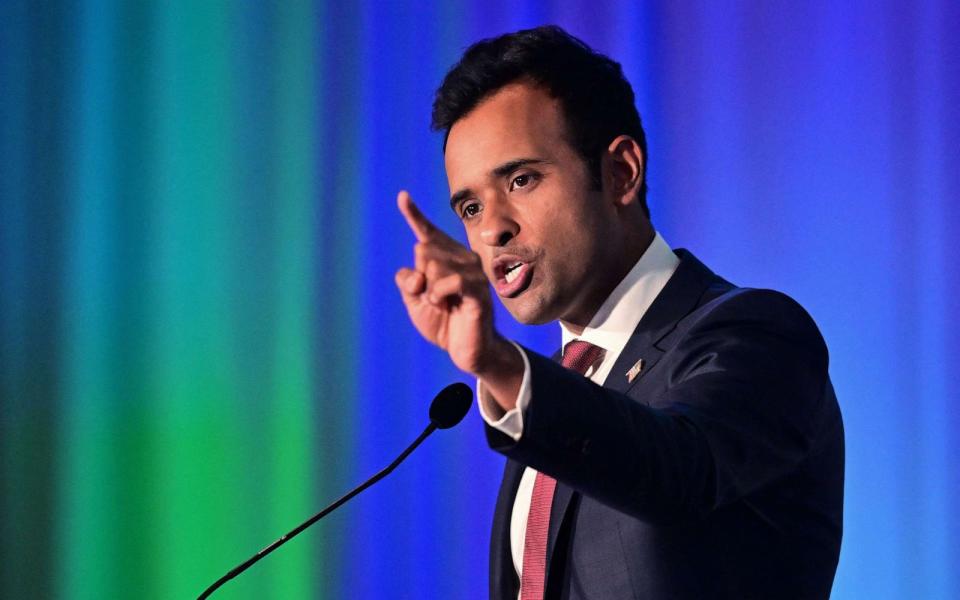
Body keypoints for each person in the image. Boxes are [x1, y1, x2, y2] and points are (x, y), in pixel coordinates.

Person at [395, 25, 843, 600]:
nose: (491, 228)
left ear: (621, 173)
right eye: (470, 205)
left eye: (521, 179)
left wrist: (501, 365)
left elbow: (679, 470)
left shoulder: (758, 335)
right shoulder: (558, 388)